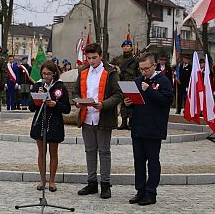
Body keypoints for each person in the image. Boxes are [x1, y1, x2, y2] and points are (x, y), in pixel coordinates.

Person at [124, 53, 173, 206]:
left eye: (146, 68)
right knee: (138, 160)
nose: (143, 72)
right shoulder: (138, 81)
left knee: (152, 161)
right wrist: (129, 102)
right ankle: (140, 190)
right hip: (138, 126)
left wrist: (149, 90)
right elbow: (138, 102)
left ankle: (151, 192)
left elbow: (166, 101)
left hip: (154, 128)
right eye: (141, 69)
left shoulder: (163, 81)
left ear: (154, 66)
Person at [75, 43, 122, 199]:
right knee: (89, 151)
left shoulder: (110, 72)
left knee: (104, 151)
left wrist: (103, 104)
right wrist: (77, 101)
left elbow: (117, 95)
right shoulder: (82, 71)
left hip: (103, 116)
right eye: (88, 58)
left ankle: (106, 184)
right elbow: (76, 91)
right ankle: (92, 182)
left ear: (101, 56)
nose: (91, 61)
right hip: (87, 116)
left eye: (94, 58)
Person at [29, 60, 71, 192]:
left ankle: (52, 180)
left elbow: (67, 108)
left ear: (54, 74)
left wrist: (55, 104)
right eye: (43, 74)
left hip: (54, 122)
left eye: (48, 74)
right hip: (40, 121)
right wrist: (38, 99)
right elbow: (31, 107)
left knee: (53, 153)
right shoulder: (37, 86)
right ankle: (42, 179)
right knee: (41, 153)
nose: (46, 76)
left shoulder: (60, 87)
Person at [110, 39, 140, 130]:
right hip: (120, 82)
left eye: (128, 46)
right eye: (124, 46)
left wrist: (137, 82)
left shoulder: (135, 60)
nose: (126, 47)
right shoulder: (117, 59)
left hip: (131, 83)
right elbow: (110, 67)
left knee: (131, 103)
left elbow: (138, 72)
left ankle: (131, 122)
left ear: (131, 48)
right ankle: (123, 123)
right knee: (123, 103)